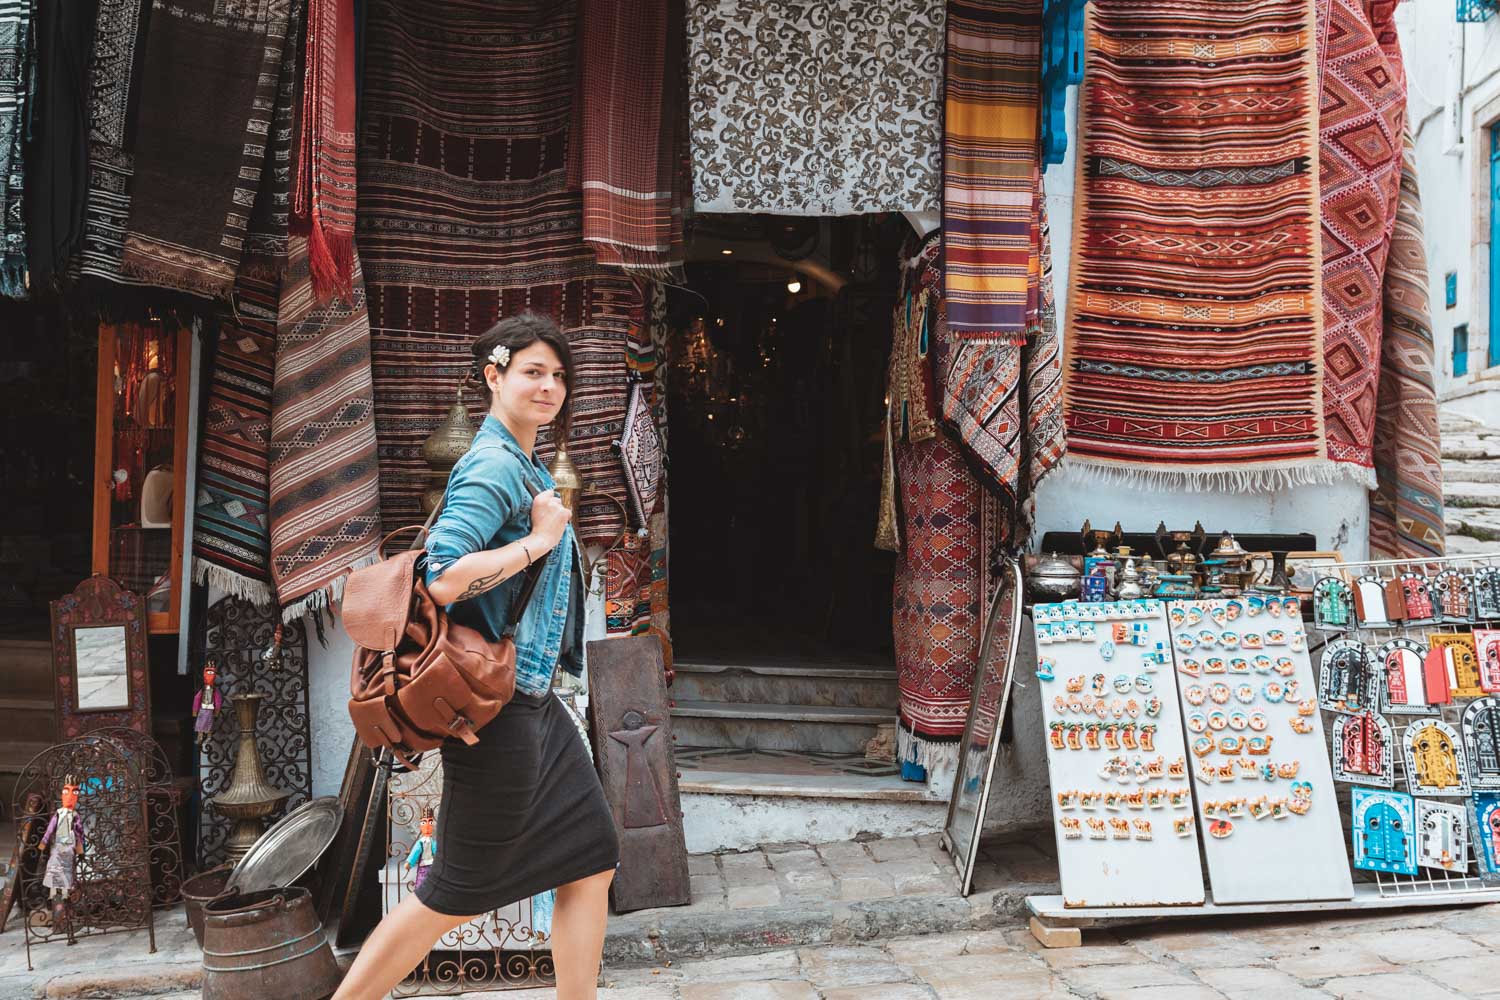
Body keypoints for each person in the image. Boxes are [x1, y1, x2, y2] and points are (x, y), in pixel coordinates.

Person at [334, 314, 620, 1000]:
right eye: (531, 371)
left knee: (591, 859)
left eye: (558, 375)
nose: (548, 385)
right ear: (493, 377)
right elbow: (444, 576)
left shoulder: (522, 466)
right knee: (453, 895)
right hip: (495, 715)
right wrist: (538, 541)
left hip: (532, 703)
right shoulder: (494, 466)